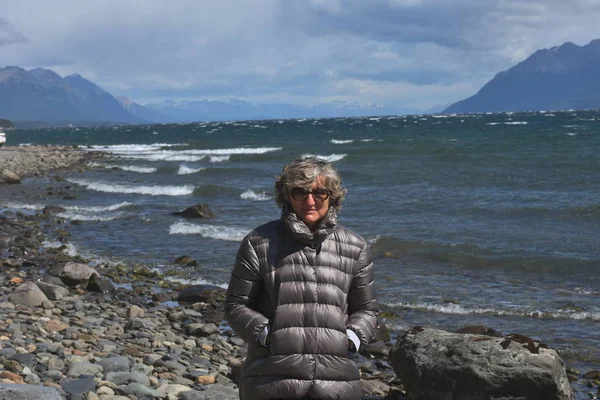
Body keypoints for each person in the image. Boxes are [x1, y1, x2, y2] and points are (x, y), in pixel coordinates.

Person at [224, 157, 378, 400]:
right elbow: (235, 305)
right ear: (286, 196)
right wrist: (266, 335)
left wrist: (351, 339)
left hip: (336, 383)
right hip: (271, 379)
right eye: (300, 192)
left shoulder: (355, 247)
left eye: (319, 193)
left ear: (332, 196)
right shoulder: (258, 243)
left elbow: (367, 310)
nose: (310, 201)